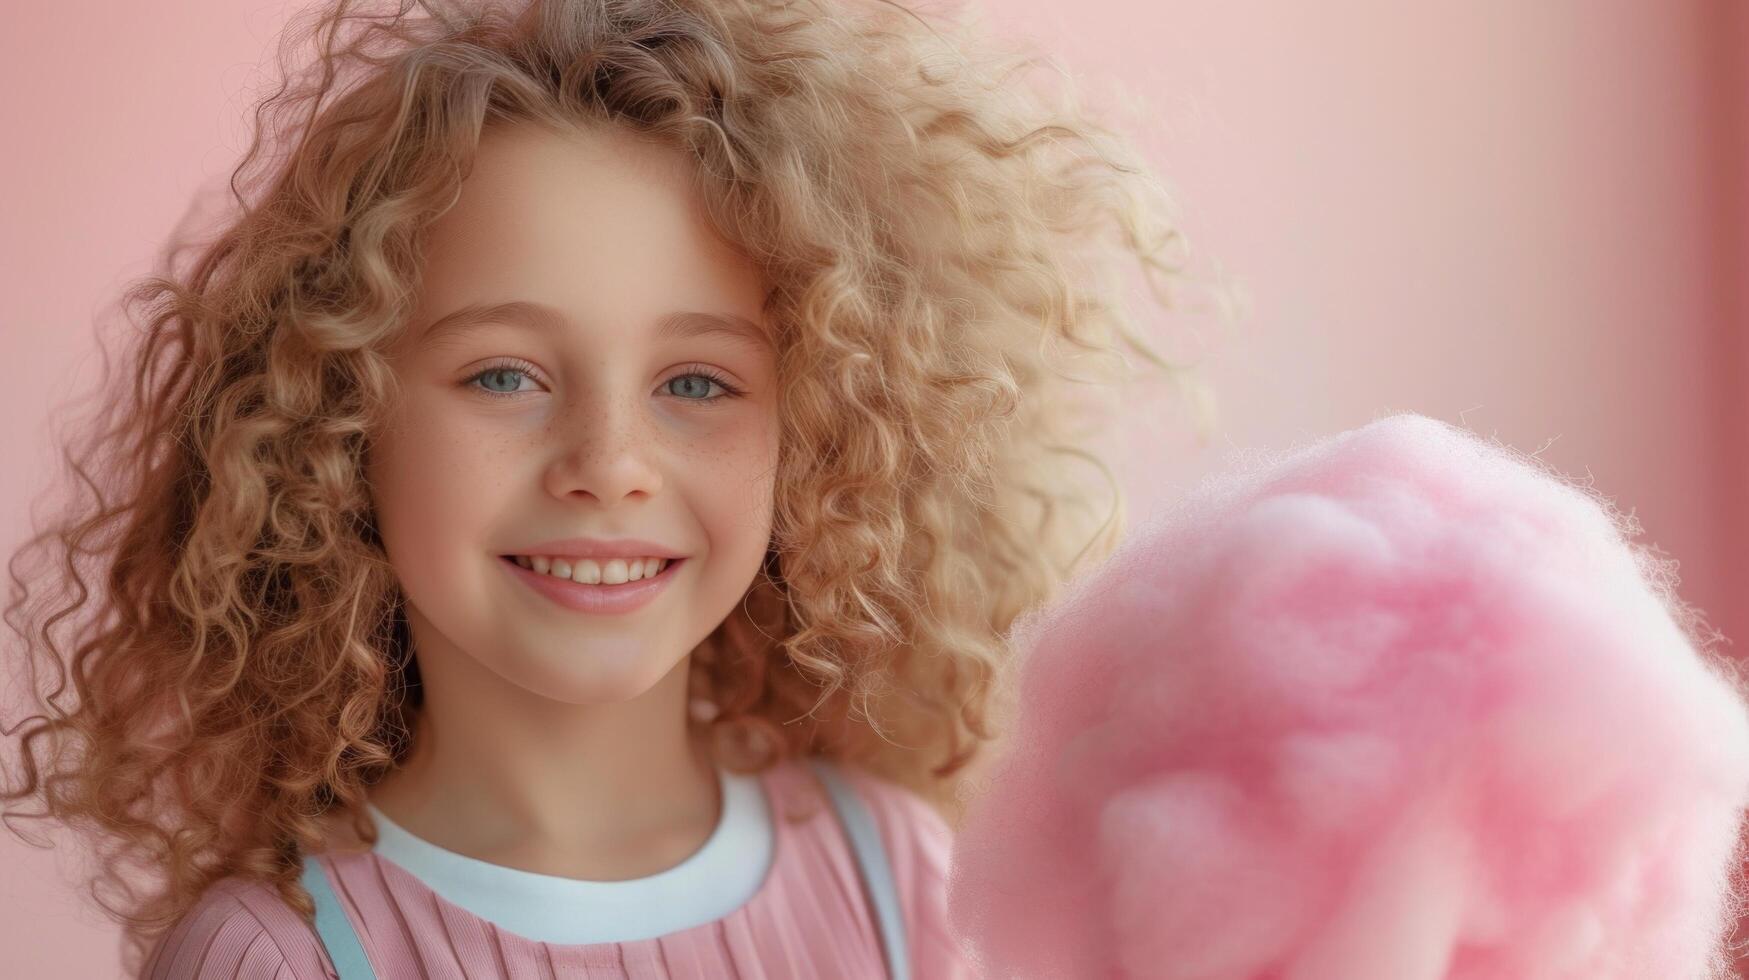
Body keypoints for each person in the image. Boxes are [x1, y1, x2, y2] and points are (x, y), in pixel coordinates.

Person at [0, 0, 1221, 976]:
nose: (608, 464)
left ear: (819, 430)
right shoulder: (278, 957)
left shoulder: (892, 871)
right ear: (339, 418)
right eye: (505, 373)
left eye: (696, 383)